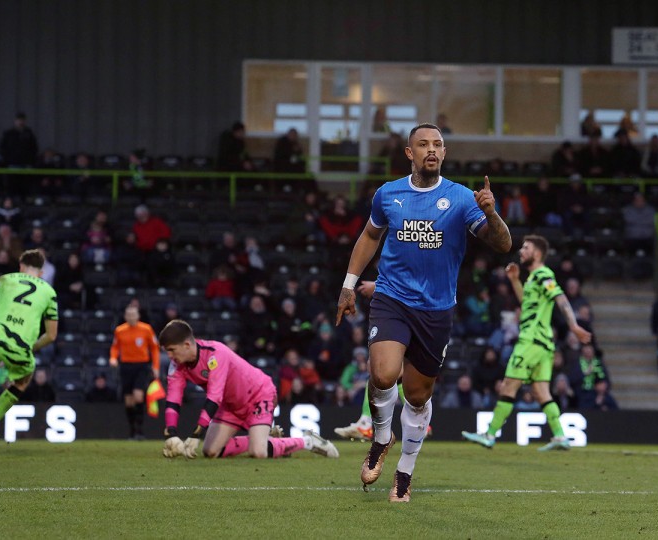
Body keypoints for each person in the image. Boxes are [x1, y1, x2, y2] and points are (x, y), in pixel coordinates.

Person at [334, 122, 511, 502]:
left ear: (444, 153)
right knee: (382, 374)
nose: (432, 149)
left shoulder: (463, 199)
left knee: (416, 396)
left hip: (436, 310)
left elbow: (503, 244)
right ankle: (382, 438)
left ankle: (405, 472)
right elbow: (369, 236)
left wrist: (492, 214)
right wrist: (348, 285)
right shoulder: (388, 193)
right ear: (409, 153)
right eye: (423, 144)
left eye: (438, 144)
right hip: (392, 298)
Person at [462, 236, 591, 451]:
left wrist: (574, 326)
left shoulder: (543, 274)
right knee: (542, 392)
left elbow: (561, 298)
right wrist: (514, 280)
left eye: (526, 248)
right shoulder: (532, 278)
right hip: (543, 345)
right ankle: (559, 435)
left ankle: (490, 434)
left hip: (531, 341)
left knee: (509, 385)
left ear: (537, 254)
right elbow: (527, 303)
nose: (521, 251)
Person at [158, 319, 338, 460]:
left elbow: (214, 396)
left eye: (172, 350)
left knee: (258, 452)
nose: (170, 356)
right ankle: (268, 441)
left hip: (259, 394)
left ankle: (307, 441)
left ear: (187, 345)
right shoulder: (177, 365)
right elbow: (173, 398)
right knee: (211, 451)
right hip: (231, 405)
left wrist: (196, 433)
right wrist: (171, 433)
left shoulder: (215, 353)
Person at [0, 249, 59, 443]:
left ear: (21, 266)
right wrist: (31, 348)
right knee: (22, 381)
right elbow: (51, 335)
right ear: (40, 272)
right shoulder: (49, 292)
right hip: (21, 348)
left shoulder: (3, 280)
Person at [109, 305, 161, 440]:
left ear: (138, 316)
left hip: (142, 366)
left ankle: (140, 430)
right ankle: (132, 431)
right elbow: (115, 347)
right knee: (129, 402)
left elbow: (155, 348)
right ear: (125, 316)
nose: (131, 317)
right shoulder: (120, 330)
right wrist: (113, 358)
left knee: (138, 396)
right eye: (128, 315)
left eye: (133, 314)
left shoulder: (146, 329)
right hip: (126, 366)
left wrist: (156, 367)